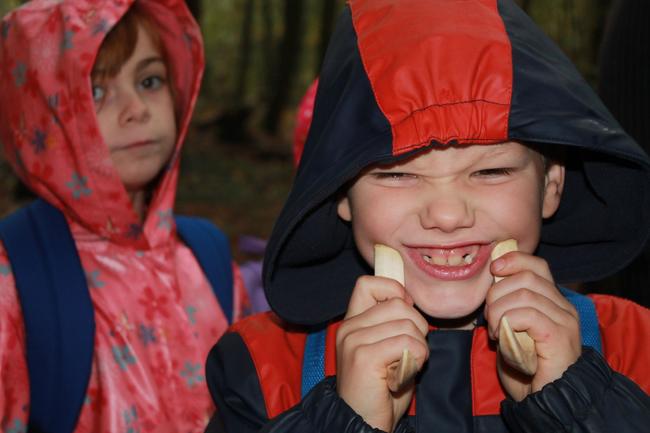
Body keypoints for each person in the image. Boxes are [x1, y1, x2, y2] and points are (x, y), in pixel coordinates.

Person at [204, 1, 650, 432]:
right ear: (340, 192)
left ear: (551, 184)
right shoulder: (260, 367)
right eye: (398, 175)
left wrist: (578, 404)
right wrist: (344, 419)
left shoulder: (634, 347)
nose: (448, 214)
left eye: (491, 171)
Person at [0, 1, 249, 431]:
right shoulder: (16, 275)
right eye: (95, 91)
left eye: (150, 80)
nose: (136, 108)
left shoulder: (207, 258)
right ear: (44, 116)